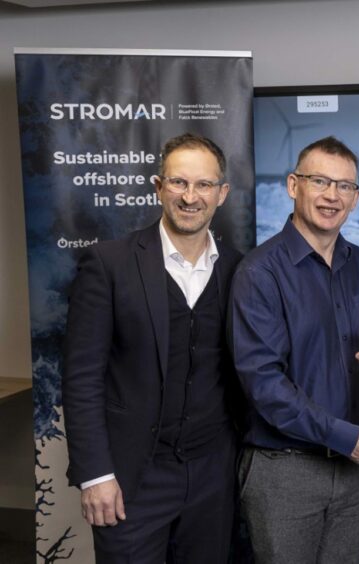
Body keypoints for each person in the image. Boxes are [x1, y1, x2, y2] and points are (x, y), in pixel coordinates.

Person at [62, 133, 242, 563]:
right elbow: (82, 377)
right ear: (159, 187)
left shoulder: (239, 268)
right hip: (130, 479)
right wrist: (95, 476)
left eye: (203, 185)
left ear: (222, 194)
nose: (190, 196)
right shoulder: (108, 263)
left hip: (212, 478)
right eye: (179, 183)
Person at [229, 136, 359, 564]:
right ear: (292, 185)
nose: (332, 196)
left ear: (356, 198)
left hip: (355, 471)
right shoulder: (259, 273)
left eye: (345, 186)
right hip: (285, 470)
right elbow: (265, 386)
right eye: (320, 181)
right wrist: (346, 438)